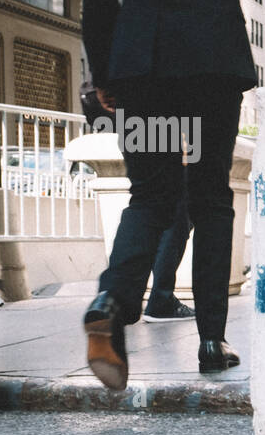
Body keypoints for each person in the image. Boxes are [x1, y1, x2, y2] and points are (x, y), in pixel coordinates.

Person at [81, 0, 265, 390]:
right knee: (212, 198)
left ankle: (111, 301)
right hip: (212, 65)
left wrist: (105, 73)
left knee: (150, 196)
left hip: (142, 69)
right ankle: (212, 342)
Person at [81, 76, 195, 323]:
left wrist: (103, 80)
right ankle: (163, 299)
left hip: (132, 93)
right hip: (176, 92)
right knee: (179, 209)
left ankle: (111, 298)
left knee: (146, 201)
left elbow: (98, 36)